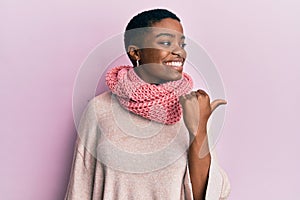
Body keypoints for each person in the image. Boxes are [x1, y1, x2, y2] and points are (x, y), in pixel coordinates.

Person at [65, 8, 231, 200]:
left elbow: (208, 195)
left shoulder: (194, 108)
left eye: (181, 44)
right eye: (166, 42)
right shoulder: (99, 110)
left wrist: (198, 129)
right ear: (136, 53)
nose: (179, 51)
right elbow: (79, 188)